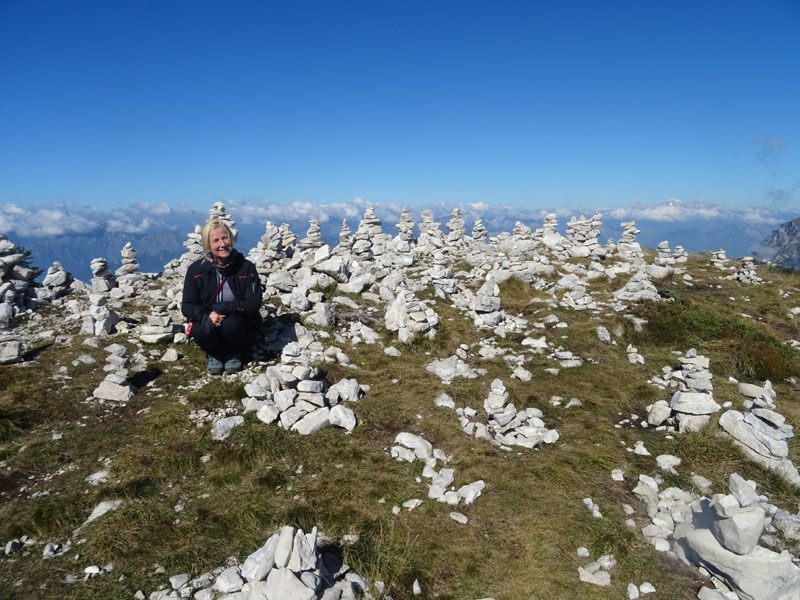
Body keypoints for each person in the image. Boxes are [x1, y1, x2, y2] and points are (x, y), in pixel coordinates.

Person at [182, 219, 262, 374]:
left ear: (231, 239)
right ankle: (214, 353)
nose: (222, 244)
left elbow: (254, 303)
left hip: (237, 318)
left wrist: (228, 306)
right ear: (208, 246)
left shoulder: (246, 268)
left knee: (231, 325)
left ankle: (234, 352)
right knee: (200, 330)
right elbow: (187, 306)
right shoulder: (196, 270)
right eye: (216, 240)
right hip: (210, 316)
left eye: (225, 238)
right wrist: (207, 314)